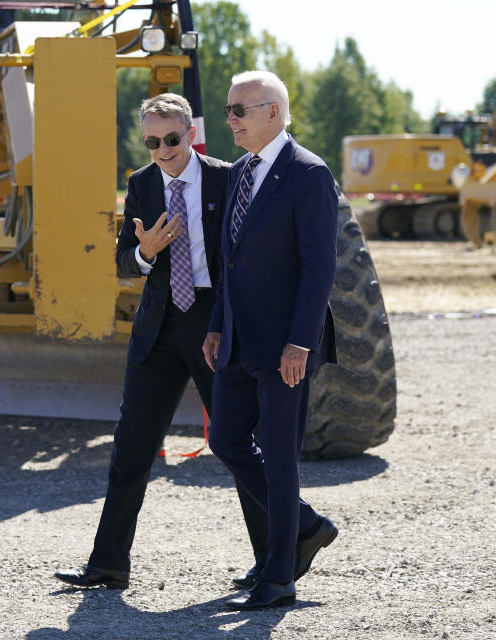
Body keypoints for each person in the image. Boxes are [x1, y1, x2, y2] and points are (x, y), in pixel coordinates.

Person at [54, 93, 267, 590]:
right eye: (152, 141)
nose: (163, 150)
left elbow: (248, 254)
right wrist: (145, 253)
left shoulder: (227, 176)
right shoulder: (142, 184)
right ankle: (107, 563)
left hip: (215, 325)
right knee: (130, 449)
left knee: (238, 444)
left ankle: (273, 561)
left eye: (171, 139)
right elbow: (123, 257)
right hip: (158, 329)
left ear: (190, 134)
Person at [202, 71, 339, 610]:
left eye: (240, 110)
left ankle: (279, 576)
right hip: (237, 338)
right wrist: (217, 323)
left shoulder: (309, 174)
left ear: (273, 114)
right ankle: (304, 526)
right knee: (227, 440)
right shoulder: (239, 172)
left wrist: (300, 343)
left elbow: (318, 267)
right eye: (229, 109)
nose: (230, 119)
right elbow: (227, 261)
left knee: (280, 458)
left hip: (286, 346)